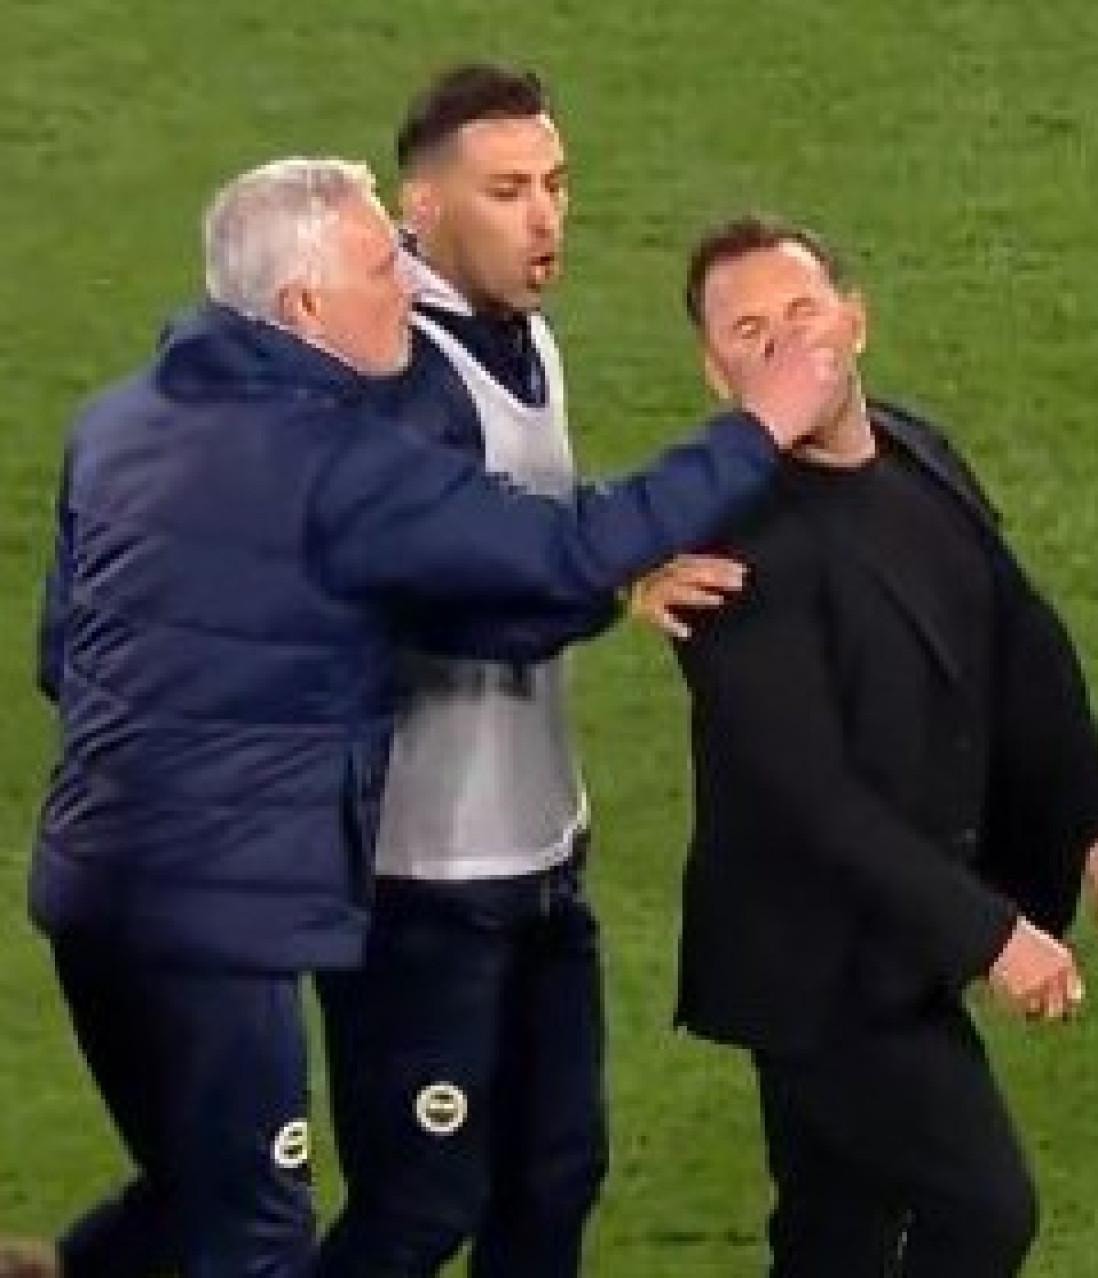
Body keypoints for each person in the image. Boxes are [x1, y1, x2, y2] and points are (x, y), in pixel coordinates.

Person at [6, 168, 849, 1278]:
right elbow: (572, 548)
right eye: (379, 269)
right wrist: (761, 425)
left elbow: (62, 656)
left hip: (87, 890)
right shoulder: (338, 462)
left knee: (188, 1192)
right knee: (259, 1237)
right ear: (304, 306)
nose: (406, 288)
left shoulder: (121, 422)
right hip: (217, 920)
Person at [665, 215, 1098, 1277]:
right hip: (818, 972)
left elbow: (1018, 639)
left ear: (856, 320)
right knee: (982, 1209)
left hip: (891, 938)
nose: (785, 343)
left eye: (802, 311)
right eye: (749, 333)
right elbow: (813, 799)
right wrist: (991, 936)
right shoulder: (730, 546)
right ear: (718, 375)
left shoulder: (913, 447)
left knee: (833, 1231)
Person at [314, 64, 745, 1278]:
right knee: (418, 1209)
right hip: (421, 882)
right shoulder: (392, 372)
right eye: (507, 191)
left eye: (556, 183)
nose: (546, 216)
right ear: (421, 205)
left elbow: (534, 525)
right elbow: (448, 602)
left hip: (543, 854)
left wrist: (605, 559)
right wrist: (609, 581)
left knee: (555, 1178)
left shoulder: (523, 334)